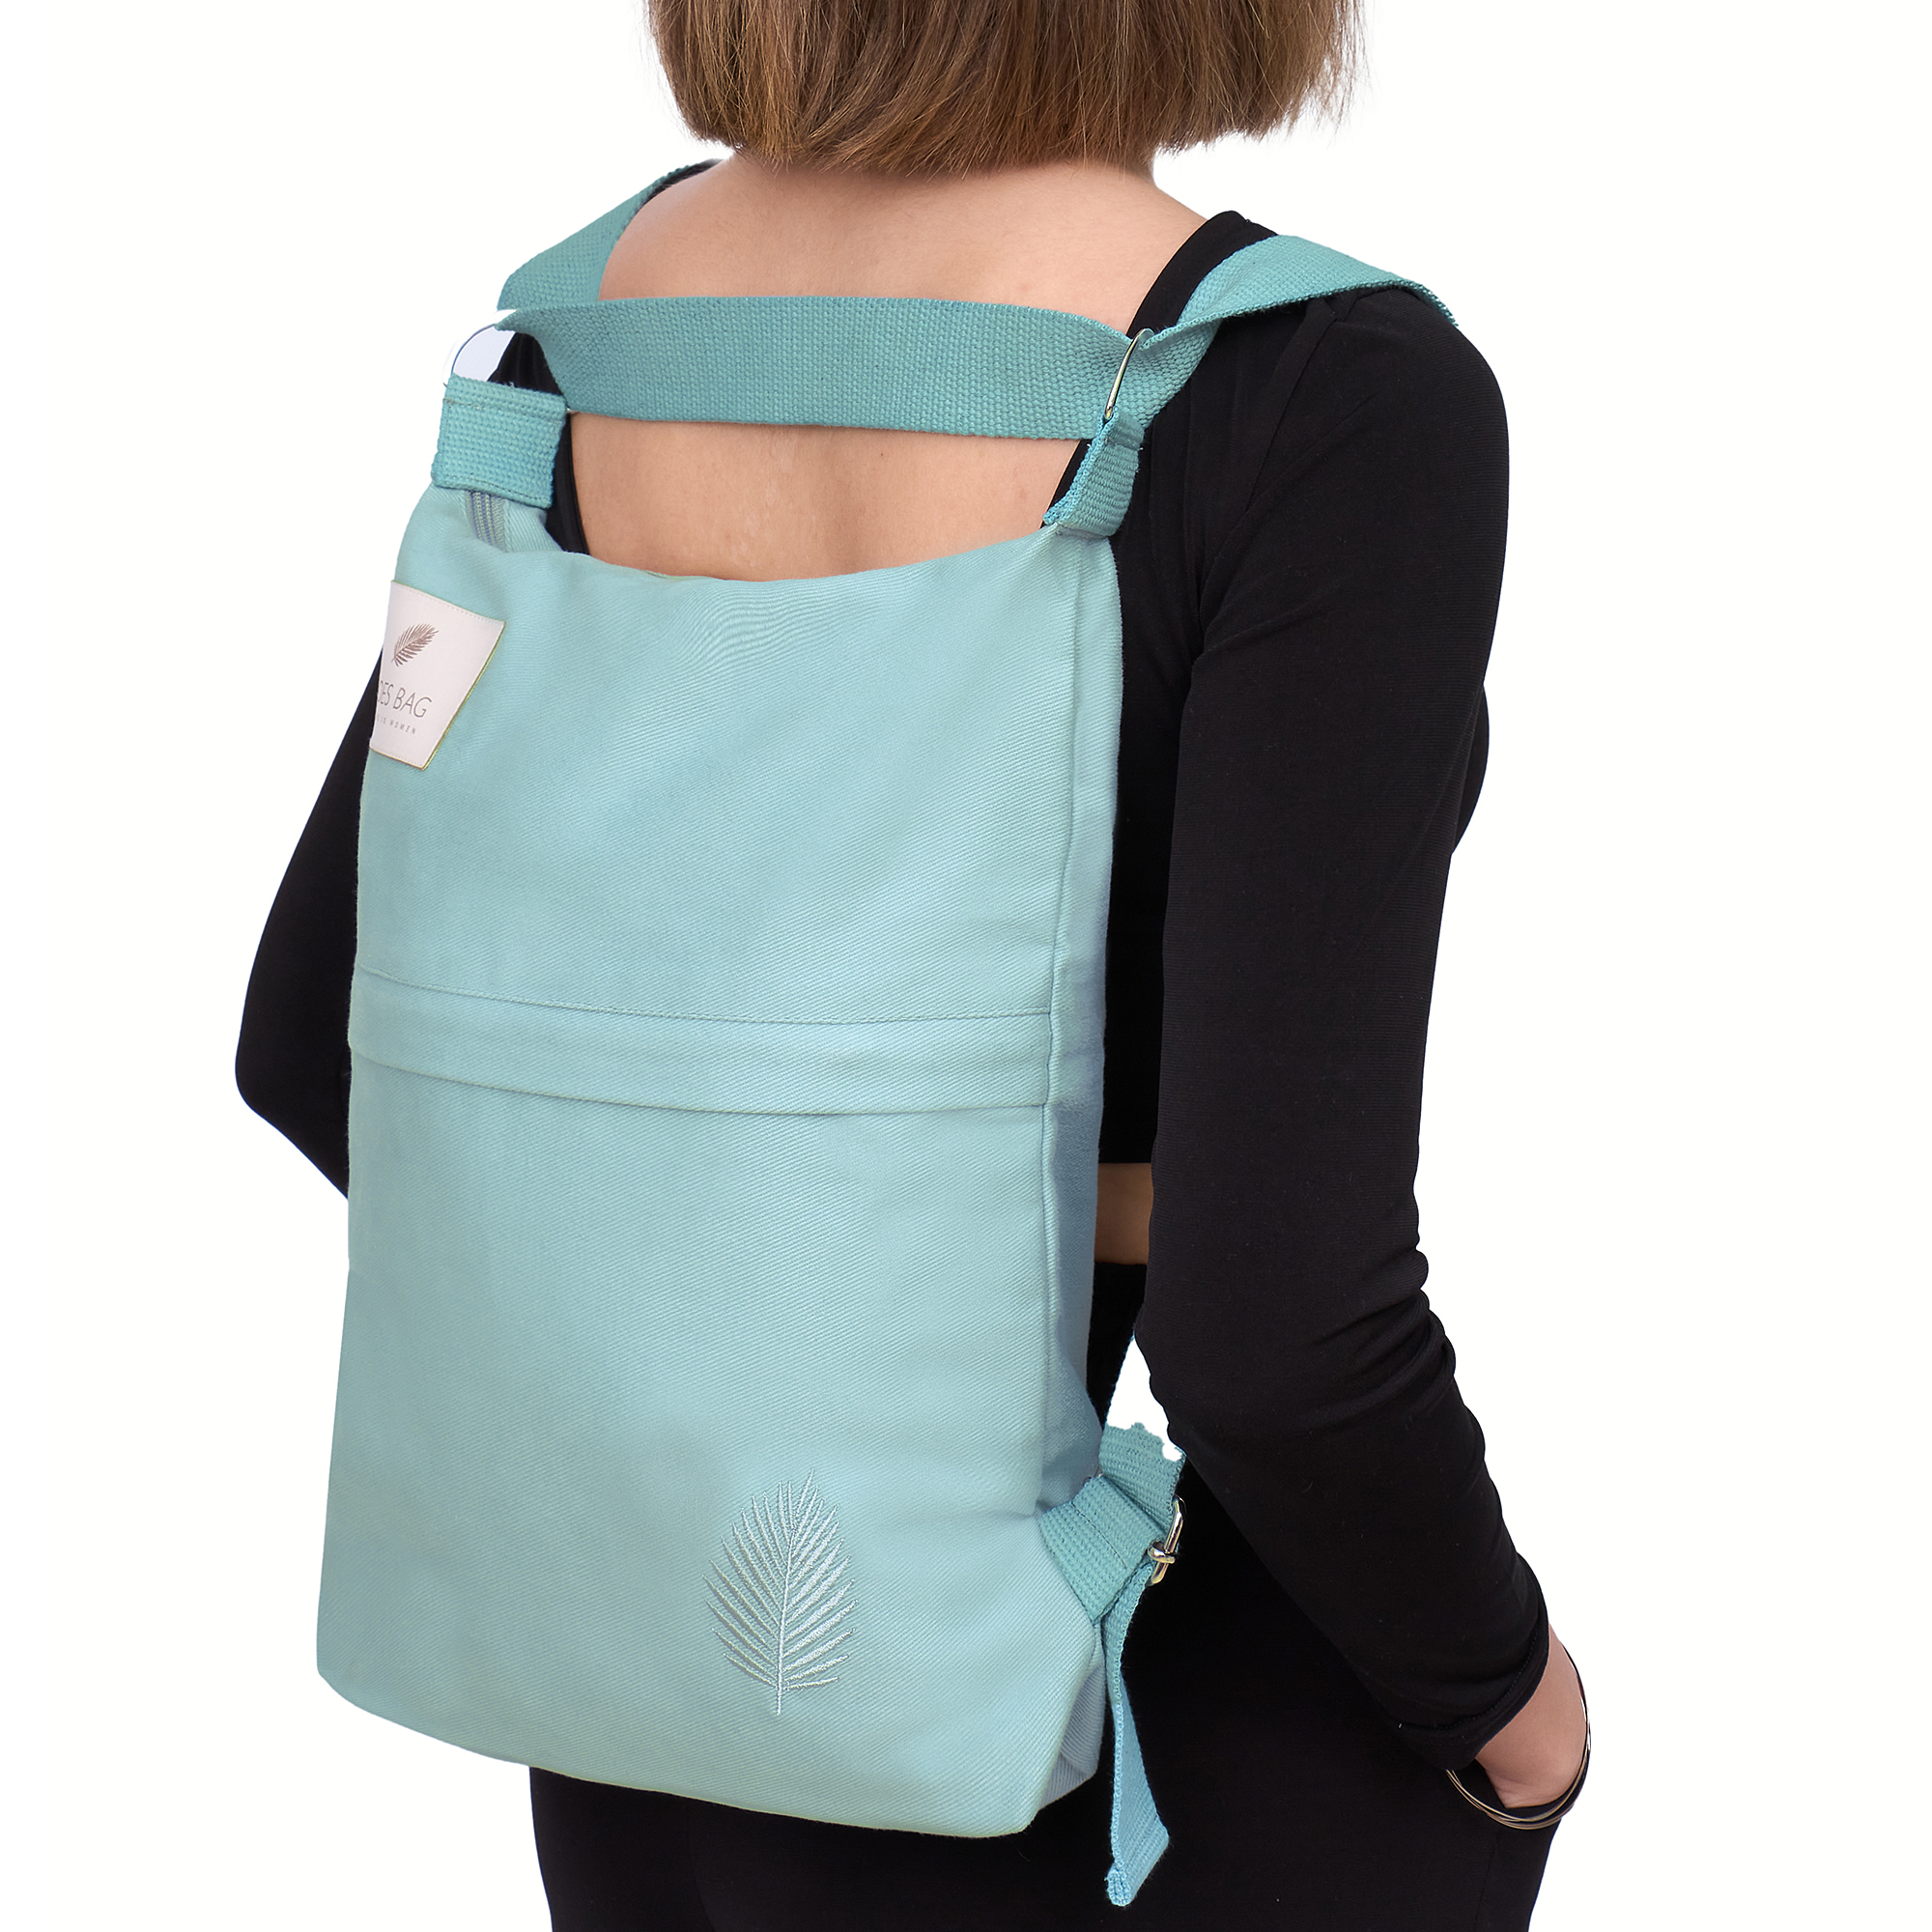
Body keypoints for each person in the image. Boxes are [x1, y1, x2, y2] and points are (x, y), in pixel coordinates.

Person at [239, 1, 1588, 1924]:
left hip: (657, 1718)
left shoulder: (569, 355)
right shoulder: (1325, 392)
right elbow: (1276, 1327)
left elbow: (317, 1043)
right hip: (1148, 1710)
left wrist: (731, 1319)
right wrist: (1504, 1702)